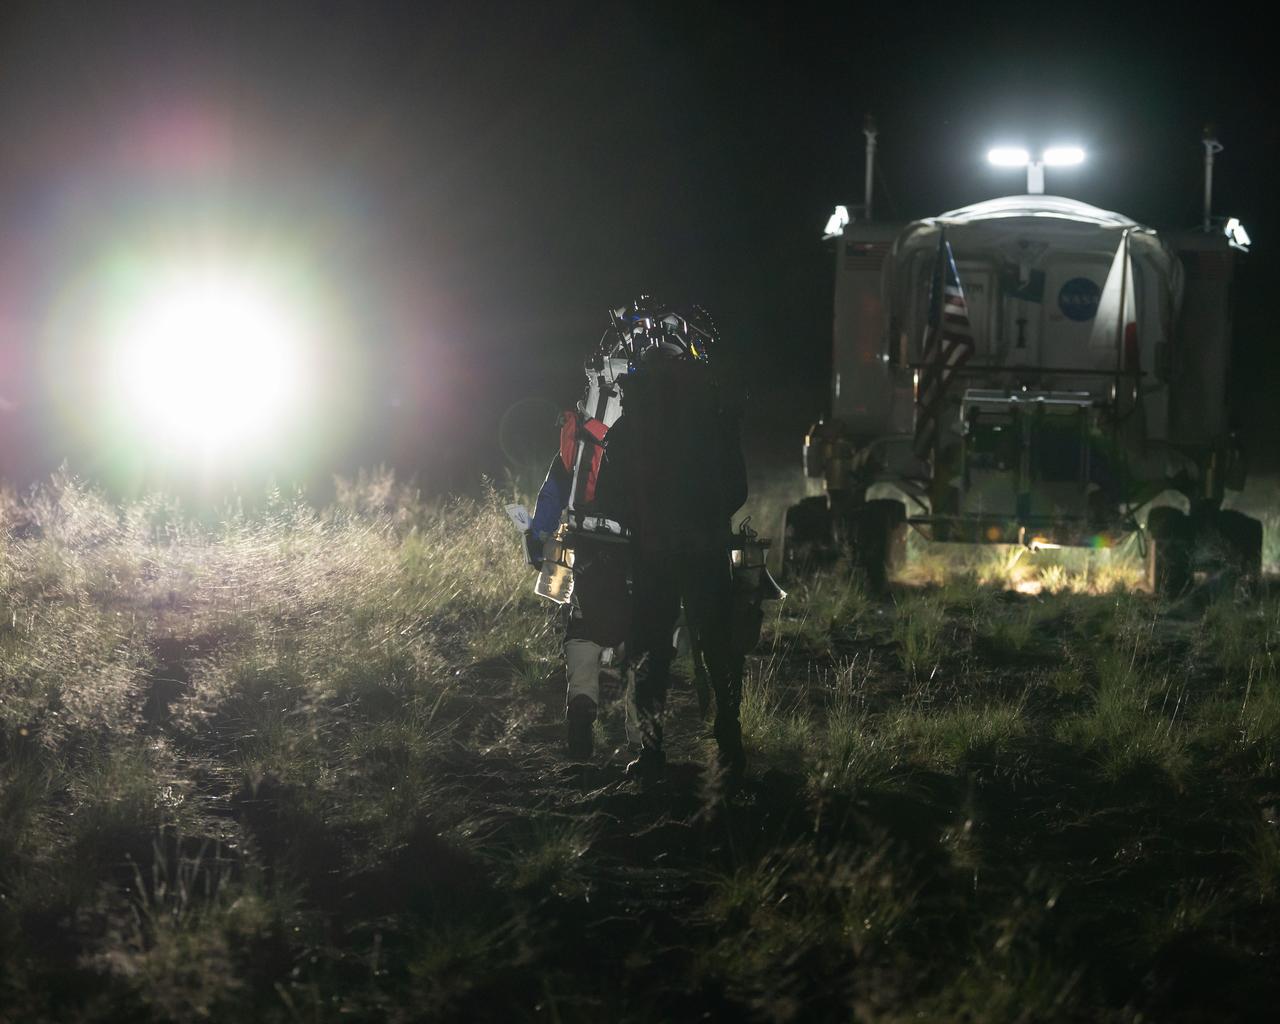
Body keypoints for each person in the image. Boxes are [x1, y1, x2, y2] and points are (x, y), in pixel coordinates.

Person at [602, 302, 750, 787]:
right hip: (706, 548)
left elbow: (610, 490)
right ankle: (729, 743)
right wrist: (710, 522)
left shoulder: (634, 417)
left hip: (653, 552)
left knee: (651, 649)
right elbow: (737, 486)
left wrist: (640, 528)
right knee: (718, 644)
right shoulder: (713, 411)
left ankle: (651, 750)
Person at [524, 326, 638, 759]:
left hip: (588, 539)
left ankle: (581, 715)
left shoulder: (585, 429)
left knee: (582, 623)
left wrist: (537, 537)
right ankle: (643, 745)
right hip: (642, 546)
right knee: (643, 638)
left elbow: (554, 488)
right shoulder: (654, 432)